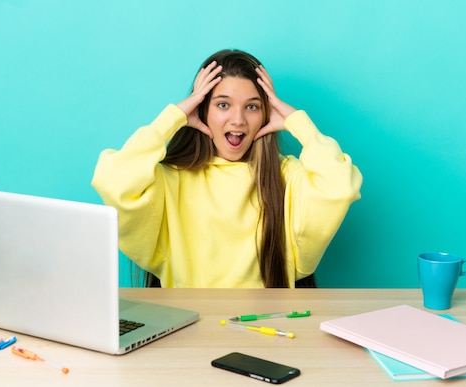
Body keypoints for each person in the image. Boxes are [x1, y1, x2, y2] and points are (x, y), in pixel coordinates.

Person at [91, 49, 362, 288]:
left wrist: (297, 123)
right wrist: (173, 118)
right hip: (190, 330)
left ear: (266, 115)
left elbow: (340, 185)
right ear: (202, 110)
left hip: (266, 330)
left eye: (252, 107)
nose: (238, 119)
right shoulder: (171, 179)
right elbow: (113, 181)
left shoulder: (286, 176)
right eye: (223, 104)